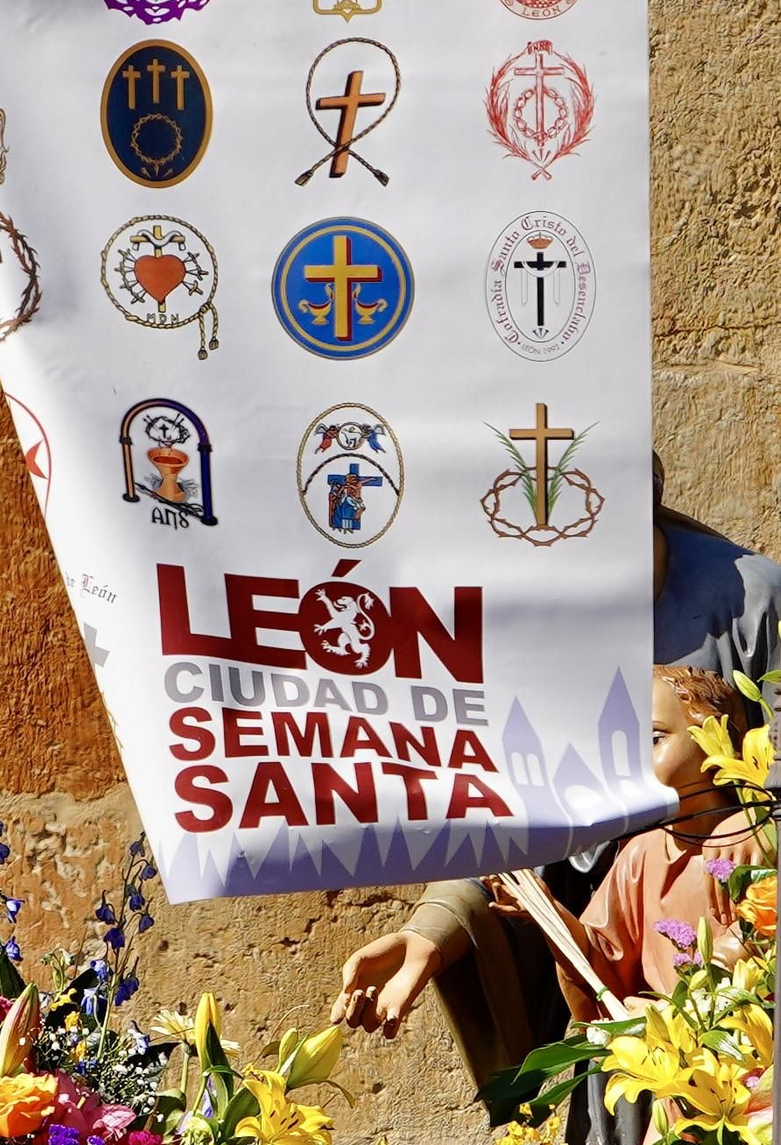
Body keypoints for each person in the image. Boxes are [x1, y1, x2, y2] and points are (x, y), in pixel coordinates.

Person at [329, 463, 779, 1135]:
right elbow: (511, 819)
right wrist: (434, 932)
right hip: (629, 1042)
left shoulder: (750, 602)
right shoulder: (527, 627)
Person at [490, 665, 752, 1019]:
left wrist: (691, 1004)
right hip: (663, 1051)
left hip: (739, 1045)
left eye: (655, 740)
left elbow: (757, 933)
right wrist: (545, 910)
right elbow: (602, 958)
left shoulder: (751, 837)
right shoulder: (642, 853)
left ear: (712, 738)